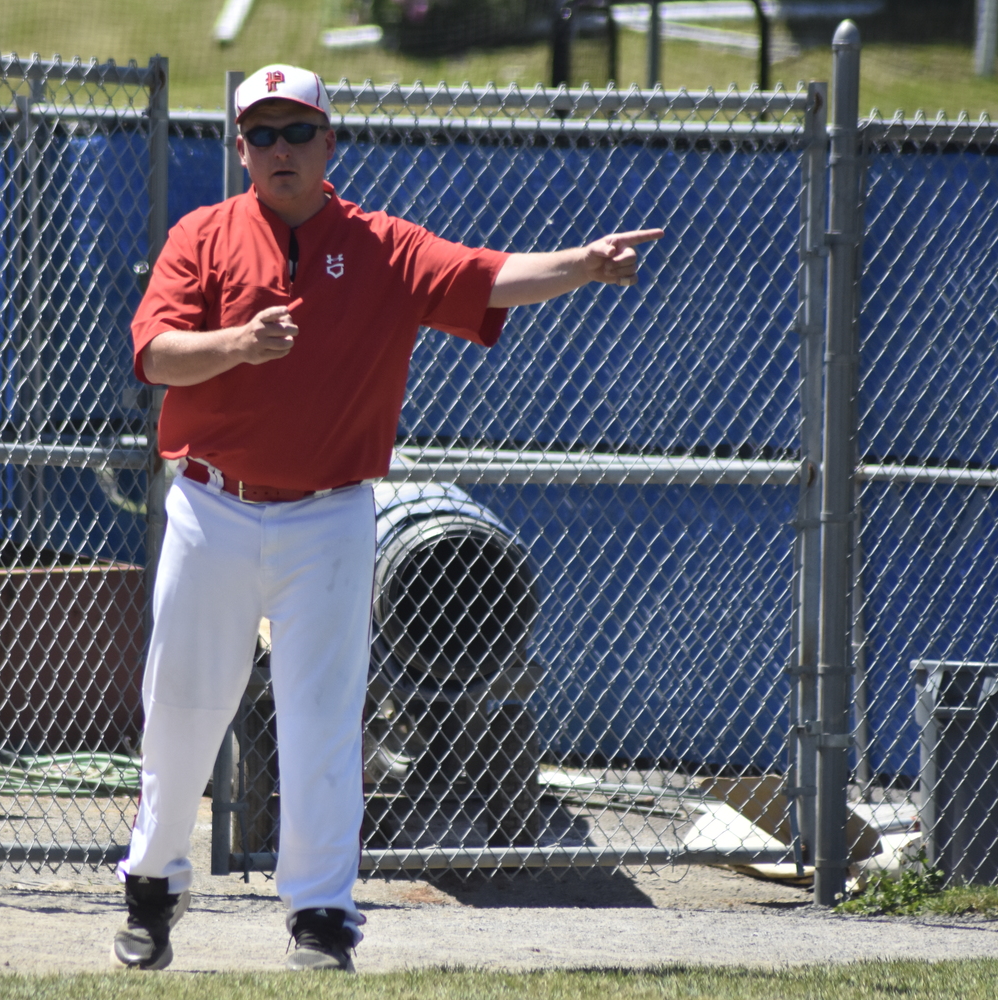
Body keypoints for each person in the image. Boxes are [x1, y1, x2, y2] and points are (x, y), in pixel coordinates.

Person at [114, 63, 663, 973]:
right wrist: (239, 346)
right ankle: (152, 889)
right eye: (262, 133)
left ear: (330, 145)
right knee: (182, 708)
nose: (280, 149)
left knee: (324, 718)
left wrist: (583, 266)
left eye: (298, 132)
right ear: (240, 148)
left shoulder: (380, 246)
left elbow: (483, 279)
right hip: (211, 505)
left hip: (329, 516)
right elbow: (155, 355)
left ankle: (321, 916)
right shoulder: (202, 236)